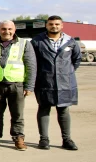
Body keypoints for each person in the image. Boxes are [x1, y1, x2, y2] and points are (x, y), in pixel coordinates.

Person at [0, 20, 36, 151]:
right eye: (3, 29)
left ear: (14, 30)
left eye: (9, 29)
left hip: (16, 84)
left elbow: (31, 65)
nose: (7, 31)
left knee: (17, 114)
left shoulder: (24, 44)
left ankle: (18, 138)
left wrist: (29, 86)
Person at [31, 16, 81, 150]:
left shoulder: (70, 41)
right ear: (46, 25)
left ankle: (67, 139)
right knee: (44, 109)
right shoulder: (37, 41)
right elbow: (31, 61)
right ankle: (44, 139)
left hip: (65, 83)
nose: (54, 26)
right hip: (44, 82)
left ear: (62, 26)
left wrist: (65, 73)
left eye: (57, 24)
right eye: (51, 24)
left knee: (64, 110)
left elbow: (76, 60)